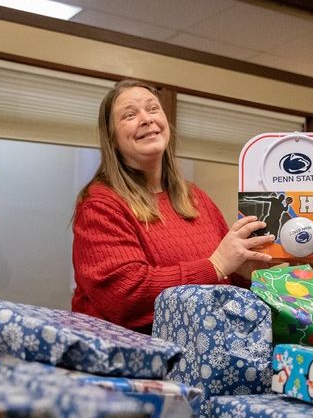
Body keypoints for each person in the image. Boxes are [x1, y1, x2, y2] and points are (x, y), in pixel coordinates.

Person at [72, 79, 274, 333]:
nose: (146, 119)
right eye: (130, 115)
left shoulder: (196, 198)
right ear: (112, 138)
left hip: (199, 357)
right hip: (132, 363)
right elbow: (125, 295)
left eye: (153, 108)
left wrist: (241, 273)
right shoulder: (101, 205)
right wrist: (216, 265)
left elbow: (221, 286)